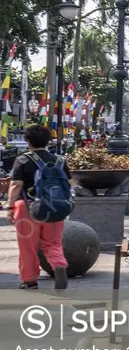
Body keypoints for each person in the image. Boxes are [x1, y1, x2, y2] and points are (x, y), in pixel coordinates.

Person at [4, 124, 70, 290]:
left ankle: (30, 280)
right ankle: (59, 264)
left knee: (27, 246)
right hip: (55, 208)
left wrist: (10, 207)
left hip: (26, 208)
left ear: (28, 141)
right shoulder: (60, 160)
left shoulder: (23, 159)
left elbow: (16, 185)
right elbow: (68, 184)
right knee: (53, 243)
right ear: (48, 141)